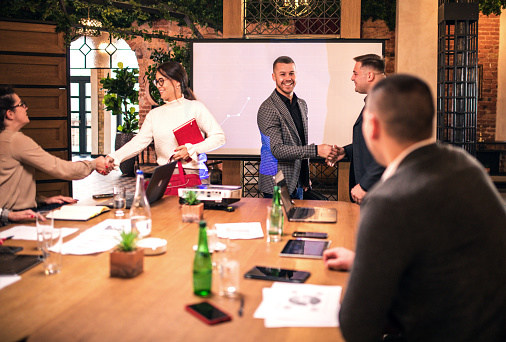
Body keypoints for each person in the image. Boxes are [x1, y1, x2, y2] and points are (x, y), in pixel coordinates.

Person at [324, 75, 506, 341]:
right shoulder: (466, 166)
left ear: (371, 126)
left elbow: (357, 327)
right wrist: (365, 263)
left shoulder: (387, 200)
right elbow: (444, 257)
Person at [0, 86, 109, 226]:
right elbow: (59, 168)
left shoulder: (6, 139)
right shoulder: (15, 140)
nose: (26, 108)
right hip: (10, 221)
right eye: (21, 104)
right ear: (10, 114)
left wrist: (42, 200)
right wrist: (93, 164)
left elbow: (9, 185)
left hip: (18, 212)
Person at [105, 61, 226, 179]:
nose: (158, 85)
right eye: (157, 81)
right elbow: (138, 142)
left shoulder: (195, 107)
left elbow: (219, 137)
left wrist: (192, 149)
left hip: (192, 180)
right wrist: (114, 157)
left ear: (177, 82)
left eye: (161, 81)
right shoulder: (154, 115)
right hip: (165, 180)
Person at [257, 56, 337, 199]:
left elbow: (300, 142)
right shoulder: (267, 108)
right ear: (273, 77)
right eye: (282, 74)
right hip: (276, 184)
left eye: (291, 73)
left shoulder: (301, 104)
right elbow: (277, 150)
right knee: (279, 222)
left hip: (299, 182)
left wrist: (304, 177)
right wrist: (316, 150)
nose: (288, 78)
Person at [332, 54, 386, 204]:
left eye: (355, 73)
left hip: (377, 192)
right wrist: (346, 151)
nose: (352, 78)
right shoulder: (378, 98)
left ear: (369, 76)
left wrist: (365, 185)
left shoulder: (385, 102)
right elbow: (372, 143)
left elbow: (388, 151)